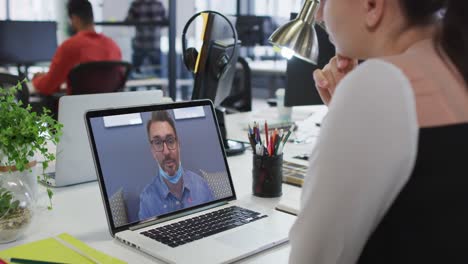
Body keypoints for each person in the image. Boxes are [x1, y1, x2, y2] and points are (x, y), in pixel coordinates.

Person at [289, 0, 468, 263]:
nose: (318, 14)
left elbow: (313, 256)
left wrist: (351, 106)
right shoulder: (454, 66)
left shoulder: (380, 84)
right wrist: (346, 113)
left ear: (372, 6)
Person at [32, 0, 122, 95]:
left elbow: (48, 86)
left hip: (77, 108)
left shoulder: (70, 46)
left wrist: (37, 78)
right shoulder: (113, 45)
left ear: (74, 18)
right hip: (107, 107)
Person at [139, 110, 214, 220]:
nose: (166, 152)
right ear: (153, 151)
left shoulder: (201, 186)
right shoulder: (147, 200)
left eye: (170, 141)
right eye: (158, 143)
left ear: (178, 144)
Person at [125, 0, 166, 76]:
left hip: (140, 44)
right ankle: (159, 86)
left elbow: (128, 22)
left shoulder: (136, 4)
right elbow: (165, 22)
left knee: (134, 73)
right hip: (154, 44)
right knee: (158, 74)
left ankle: (134, 87)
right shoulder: (158, 4)